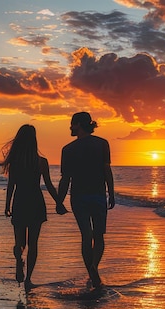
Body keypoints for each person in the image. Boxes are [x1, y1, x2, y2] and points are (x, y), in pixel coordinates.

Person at [57, 111, 115, 290]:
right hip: (98, 195)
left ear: (79, 125)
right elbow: (107, 171)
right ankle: (94, 267)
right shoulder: (102, 144)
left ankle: (91, 273)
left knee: (86, 234)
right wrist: (111, 192)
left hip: (79, 197)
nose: (70, 127)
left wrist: (59, 201)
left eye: (72, 124)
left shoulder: (67, 149)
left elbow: (65, 178)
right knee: (99, 236)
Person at [2, 124, 59, 290]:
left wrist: (7, 205)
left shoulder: (15, 162)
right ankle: (28, 279)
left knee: (19, 242)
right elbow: (48, 184)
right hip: (35, 202)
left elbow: (11, 185)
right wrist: (58, 202)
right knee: (33, 243)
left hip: (20, 201)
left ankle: (19, 261)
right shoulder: (41, 162)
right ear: (34, 140)